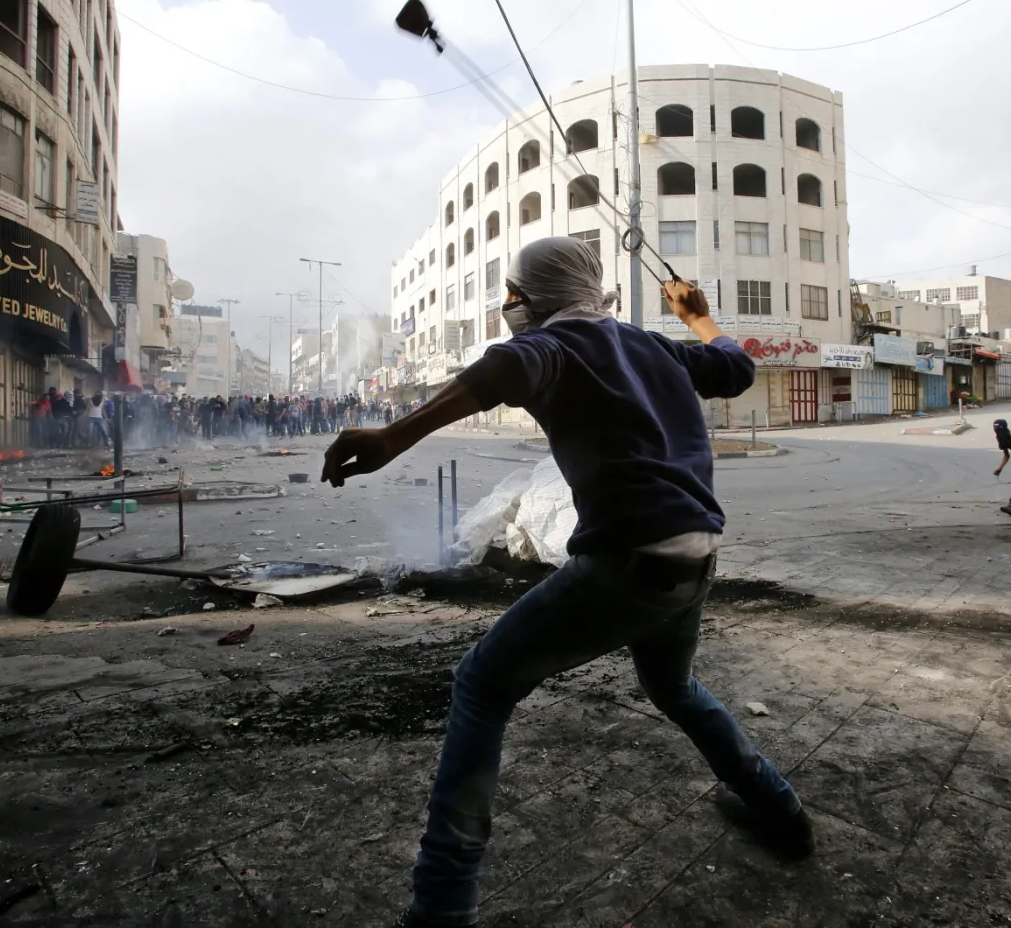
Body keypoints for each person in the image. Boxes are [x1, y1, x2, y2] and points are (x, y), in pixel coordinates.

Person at [322, 237, 811, 928]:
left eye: (513, 295)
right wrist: (698, 315)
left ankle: (440, 907)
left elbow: (501, 369)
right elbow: (734, 367)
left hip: (627, 561)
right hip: (697, 553)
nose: (507, 307)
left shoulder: (552, 349)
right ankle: (781, 811)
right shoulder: (654, 346)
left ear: (535, 298)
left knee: (481, 685)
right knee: (673, 687)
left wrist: (392, 438)